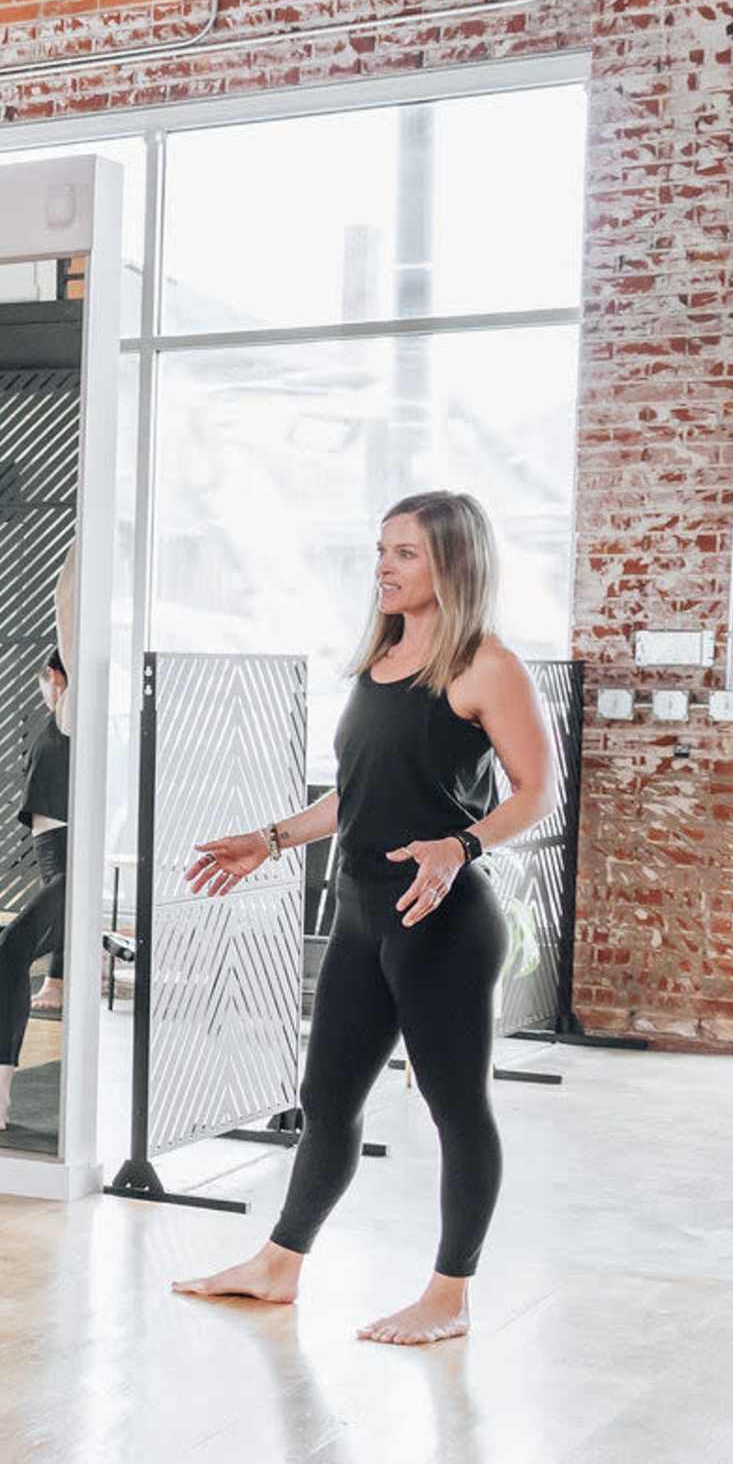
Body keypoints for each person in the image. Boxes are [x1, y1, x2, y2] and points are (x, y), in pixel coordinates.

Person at [172, 490, 558, 1346]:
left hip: (442, 921)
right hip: (358, 912)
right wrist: (270, 839)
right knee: (326, 1096)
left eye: (407, 553)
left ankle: (449, 1294)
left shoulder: (486, 665)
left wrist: (460, 844)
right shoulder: (381, 657)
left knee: (456, 1106)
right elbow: (363, 792)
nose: (384, 566)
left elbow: (537, 792)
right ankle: (279, 1263)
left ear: (453, 563)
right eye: (381, 550)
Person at [0, 652, 75, 1136]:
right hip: (59, 863)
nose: (44, 693)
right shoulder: (61, 723)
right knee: (33, 936)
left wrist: (70, 575)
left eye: (45, 683)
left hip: (76, 861)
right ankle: (63, 974)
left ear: (54, 677)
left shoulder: (72, 709)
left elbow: (69, 623)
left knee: (11, 949)